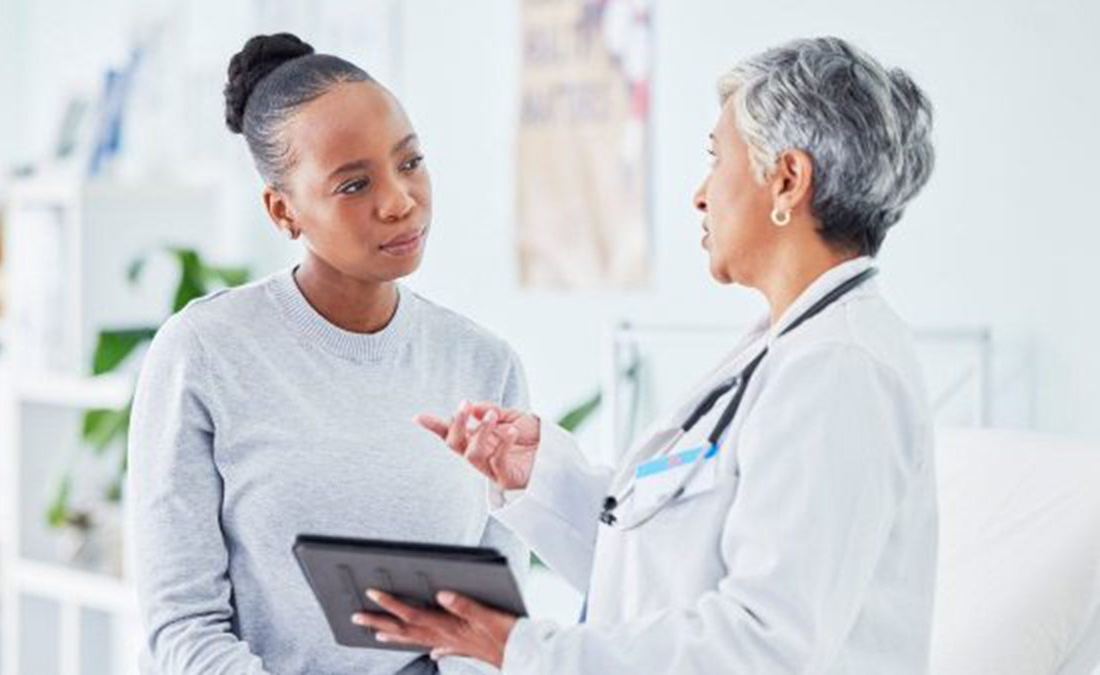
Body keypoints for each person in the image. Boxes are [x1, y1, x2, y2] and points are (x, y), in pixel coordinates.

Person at [354, 36, 939, 674]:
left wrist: (519, 648)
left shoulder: (838, 371)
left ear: (788, 181)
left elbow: (767, 647)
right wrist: (542, 475)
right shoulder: (789, 350)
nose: (700, 193)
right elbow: (663, 573)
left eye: (717, 159)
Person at [129, 32, 527, 675]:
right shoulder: (205, 351)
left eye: (410, 161)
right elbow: (182, 626)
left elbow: (489, 629)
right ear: (283, 211)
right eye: (353, 185)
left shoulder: (484, 363)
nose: (399, 201)